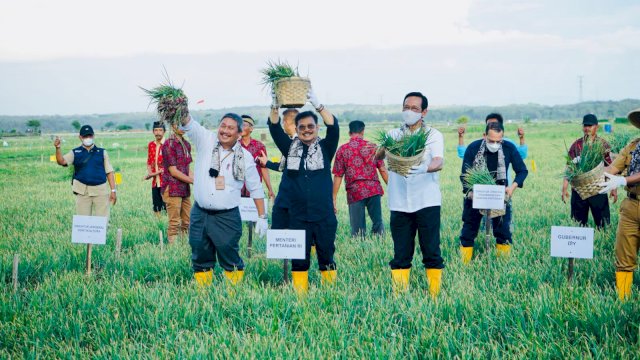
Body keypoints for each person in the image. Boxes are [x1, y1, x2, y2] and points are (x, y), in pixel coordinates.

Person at [181, 113, 267, 286]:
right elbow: (189, 123)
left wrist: (262, 216)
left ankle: (233, 295)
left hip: (227, 216)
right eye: (223, 126)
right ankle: (203, 294)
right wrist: (180, 108)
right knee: (199, 253)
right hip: (200, 213)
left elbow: (255, 188)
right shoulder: (206, 140)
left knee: (229, 255)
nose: (225, 131)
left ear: (239, 133)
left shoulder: (245, 157)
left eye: (231, 128)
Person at [268, 89, 339, 294]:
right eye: (302, 127)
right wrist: (275, 106)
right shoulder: (289, 149)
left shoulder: (326, 147)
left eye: (310, 126)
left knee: (326, 255)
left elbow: (333, 126)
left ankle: (330, 295)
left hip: (323, 214)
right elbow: (273, 127)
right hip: (297, 215)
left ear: (317, 128)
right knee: (299, 259)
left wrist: (317, 104)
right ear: (296, 129)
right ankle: (301, 296)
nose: (306, 130)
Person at [381, 91, 444, 297]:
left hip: (427, 201)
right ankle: (400, 294)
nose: (409, 112)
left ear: (424, 112)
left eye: (415, 108)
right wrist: (383, 149)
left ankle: (434, 294)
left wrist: (425, 168)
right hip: (399, 202)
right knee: (401, 252)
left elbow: (438, 161)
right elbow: (377, 157)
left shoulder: (433, 135)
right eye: (406, 107)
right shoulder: (393, 135)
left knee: (431, 250)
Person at [458, 122, 528, 263]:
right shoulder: (473, 148)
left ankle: (502, 262)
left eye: (498, 141)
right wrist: (470, 192)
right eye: (491, 141)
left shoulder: (508, 148)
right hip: (476, 195)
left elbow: (522, 170)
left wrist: (512, 187)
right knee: (468, 229)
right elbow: (465, 174)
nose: (495, 144)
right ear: (484, 136)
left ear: (502, 138)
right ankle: (464, 262)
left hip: (500, 196)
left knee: (503, 231)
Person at [598, 108, 640, 300]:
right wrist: (590, 172)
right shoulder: (633, 146)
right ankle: (623, 299)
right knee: (623, 254)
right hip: (631, 206)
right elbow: (613, 168)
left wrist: (624, 181)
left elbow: (623, 177)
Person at [332, 120, 388, 237]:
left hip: (355, 192)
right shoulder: (373, 147)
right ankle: (378, 244)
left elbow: (338, 175)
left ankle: (361, 246)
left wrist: (333, 198)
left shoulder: (342, 149)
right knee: (378, 223)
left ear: (349, 132)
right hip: (373, 189)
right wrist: (392, 188)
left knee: (357, 229)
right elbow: (382, 169)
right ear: (363, 131)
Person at [561, 114, 615, 229]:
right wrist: (564, 187)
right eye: (585, 125)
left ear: (597, 127)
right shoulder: (576, 145)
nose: (587, 128)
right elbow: (569, 167)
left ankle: (602, 242)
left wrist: (613, 188)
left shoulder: (603, 144)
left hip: (599, 188)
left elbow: (611, 167)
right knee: (578, 224)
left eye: (590, 125)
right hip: (579, 190)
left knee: (603, 225)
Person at [54, 125, 117, 217]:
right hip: (82, 192)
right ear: (80, 137)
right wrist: (58, 148)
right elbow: (61, 161)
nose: (88, 138)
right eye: (85, 136)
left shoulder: (102, 152)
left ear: (93, 136)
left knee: (102, 222)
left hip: (101, 192)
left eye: (89, 136)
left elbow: (109, 172)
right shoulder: (75, 152)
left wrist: (113, 190)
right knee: (83, 222)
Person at [161, 122, 193, 244]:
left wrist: (199, 181)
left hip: (184, 188)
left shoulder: (186, 144)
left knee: (187, 221)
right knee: (174, 222)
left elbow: (187, 169)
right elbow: (173, 171)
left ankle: (183, 245)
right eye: (178, 124)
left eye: (183, 124)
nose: (182, 127)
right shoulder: (169, 144)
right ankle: (173, 248)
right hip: (172, 187)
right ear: (173, 125)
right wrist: (193, 181)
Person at [457, 113, 528, 161]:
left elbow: (521, 156)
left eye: (494, 124)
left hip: (504, 183)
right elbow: (464, 155)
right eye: (489, 124)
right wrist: (461, 137)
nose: (492, 127)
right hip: (483, 183)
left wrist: (521, 138)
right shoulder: (479, 144)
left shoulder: (508, 144)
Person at [239, 115, 275, 201]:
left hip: (254, 190)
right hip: (236, 190)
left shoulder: (259, 146)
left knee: (255, 213)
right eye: (239, 125)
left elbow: (264, 168)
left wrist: (270, 189)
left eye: (244, 125)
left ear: (251, 128)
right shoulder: (234, 145)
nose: (241, 128)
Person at [144, 121, 166, 218]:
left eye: (160, 130)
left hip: (166, 182)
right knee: (156, 207)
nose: (158, 132)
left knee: (167, 207)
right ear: (153, 131)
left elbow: (169, 166)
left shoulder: (168, 145)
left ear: (164, 132)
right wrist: (150, 172)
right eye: (156, 130)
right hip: (155, 182)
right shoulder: (151, 145)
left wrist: (154, 173)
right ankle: (159, 226)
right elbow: (149, 161)